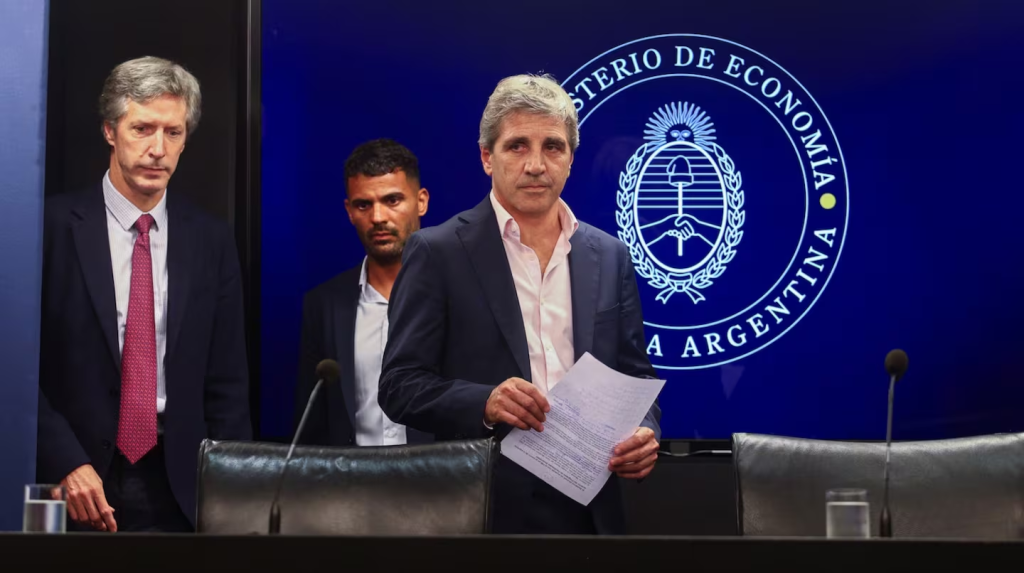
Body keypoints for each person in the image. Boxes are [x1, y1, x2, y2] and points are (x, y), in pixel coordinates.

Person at [379, 74, 661, 534]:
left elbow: (635, 376)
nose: (535, 165)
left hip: (592, 511)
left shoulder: (610, 255)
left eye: (552, 147)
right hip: (483, 510)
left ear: (570, 159)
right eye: (517, 146)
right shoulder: (438, 252)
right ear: (486, 157)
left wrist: (646, 431)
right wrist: (485, 401)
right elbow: (399, 386)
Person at [37, 56, 251, 532]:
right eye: (142, 129)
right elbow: (17, 366)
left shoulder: (210, 239)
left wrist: (235, 492)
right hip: (75, 480)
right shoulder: (49, 228)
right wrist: (63, 460)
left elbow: (227, 383)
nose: (158, 149)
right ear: (110, 131)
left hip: (182, 485)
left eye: (173, 132)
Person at [294, 139, 432, 446]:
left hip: (441, 473)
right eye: (363, 205)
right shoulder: (325, 305)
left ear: (421, 201)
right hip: (349, 473)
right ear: (349, 211)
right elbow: (312, 423)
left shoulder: (458, 292)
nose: (378, 217)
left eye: (392, 200)